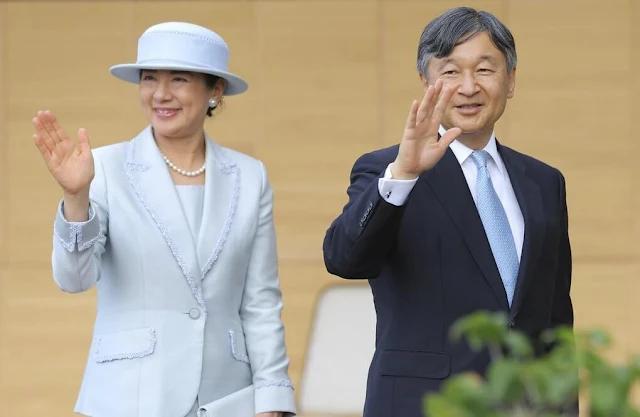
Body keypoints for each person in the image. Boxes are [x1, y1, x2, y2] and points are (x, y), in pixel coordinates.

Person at [32, 22, 296, 417]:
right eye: (149, 79)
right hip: (129, 397)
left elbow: (260, 301)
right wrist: (76, 196)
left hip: (226, 399)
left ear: (215, 90)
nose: (160, 94)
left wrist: (272, 397)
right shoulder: (102, 167)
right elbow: (73, 279)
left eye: (178, 79)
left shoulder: (249, 176)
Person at [322, 7, 574, 417]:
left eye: (485, 70)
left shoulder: (544, 182)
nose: (468, 87)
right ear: (426, 83)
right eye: (451, 72)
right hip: (424, 405)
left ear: (510, 80)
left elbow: (556, 318)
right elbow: (344, 259)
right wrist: (404, 173)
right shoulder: (388, 169)